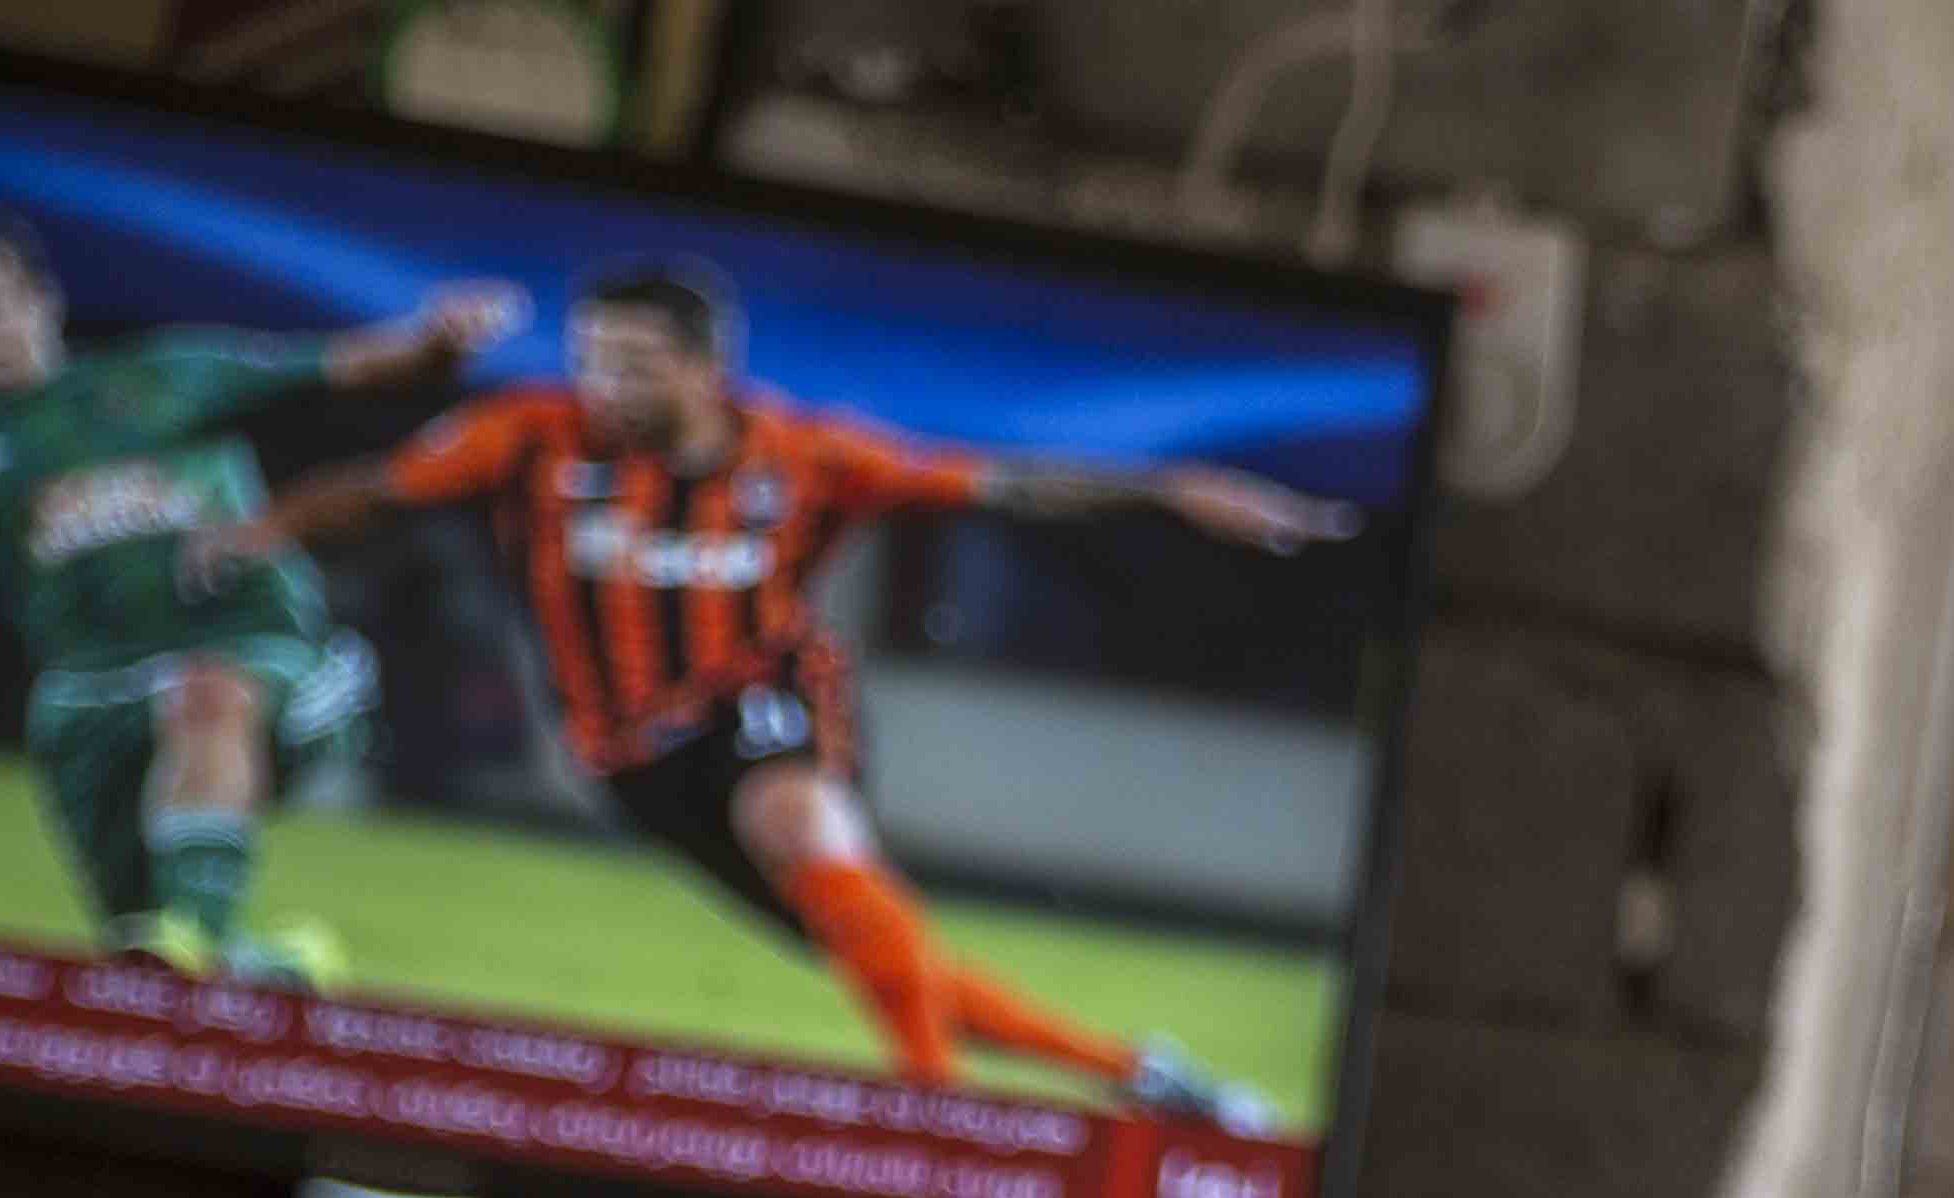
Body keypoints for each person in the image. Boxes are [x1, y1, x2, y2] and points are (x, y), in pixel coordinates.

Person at [191, 256, 1345, 1115]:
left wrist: (1166, 488)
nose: (601, 383)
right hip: (626, 755)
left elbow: (1005, 485)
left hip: (766, 689)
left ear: (705, 369)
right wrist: (264, 529)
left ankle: (934, 1115)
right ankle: (1141, 1075)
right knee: (877, 951)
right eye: (590, 356)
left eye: (633, 364)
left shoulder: (805, 454)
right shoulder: (529, 434)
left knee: (793, 813)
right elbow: (380, 489)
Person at [0, 210, 518, 974]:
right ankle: (280, 970)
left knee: (206, 695)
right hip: (88, 701)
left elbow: (350, 365)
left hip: (272, 653)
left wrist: (435, 340)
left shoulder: (162, 374)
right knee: (147, 964)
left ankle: (201, 934)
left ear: (42, 302)